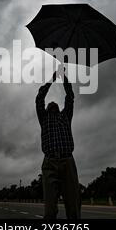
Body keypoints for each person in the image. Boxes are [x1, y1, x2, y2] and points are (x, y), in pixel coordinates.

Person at [35, 67, 81, 219]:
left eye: (55, 103)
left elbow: (70, 96)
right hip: (50, 163)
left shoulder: (65, 115)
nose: (53, 103)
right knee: (49, 211)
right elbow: (39, 99)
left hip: (68, 161)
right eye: (50, 104)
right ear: (47, 109)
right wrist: (52, 79)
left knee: (73, 207)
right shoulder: (44, 118)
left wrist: (64, 77)